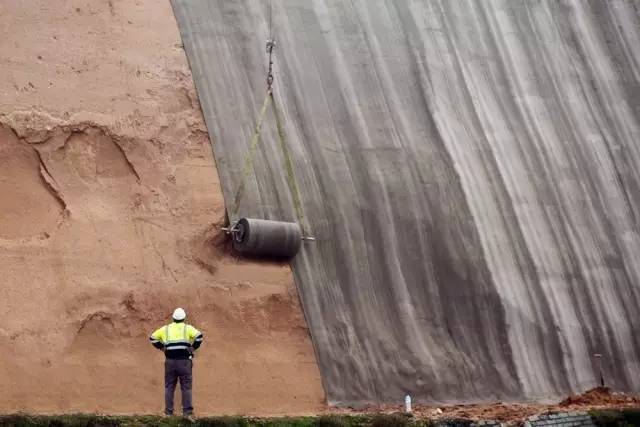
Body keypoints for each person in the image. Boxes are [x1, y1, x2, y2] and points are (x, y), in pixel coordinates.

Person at [149, 307, 204, 416]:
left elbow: (152, 338)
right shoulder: (187, 328)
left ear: (173, 318)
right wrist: (193, 348)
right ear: (184, 318)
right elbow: (199, 336)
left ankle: (169, 413)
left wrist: (162, 348)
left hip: (170, 362)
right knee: (186, 387)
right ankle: (187, 413)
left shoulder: (165, 329)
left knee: (169, 387)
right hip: (184, 362)